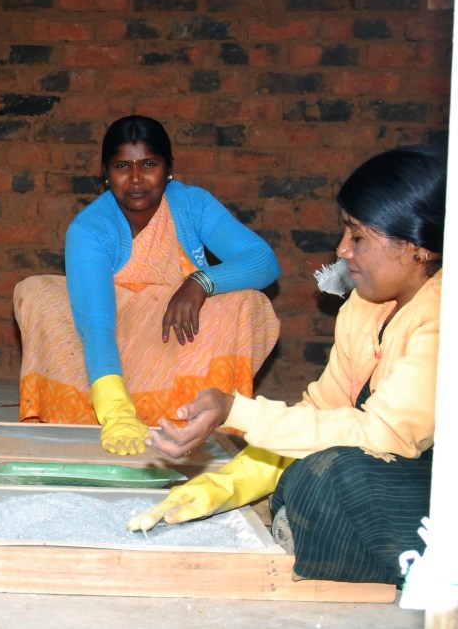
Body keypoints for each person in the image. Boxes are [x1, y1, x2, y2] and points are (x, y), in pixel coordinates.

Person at [129, 144, 445, 586]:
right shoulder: (364, 306)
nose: (342, 249)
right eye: (345, 231)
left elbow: (387, 435)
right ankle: (323, 537)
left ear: (417, 248)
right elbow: (322, 412)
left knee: (334, 473)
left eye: (358, 236)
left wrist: (237, 410)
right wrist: (223, 487)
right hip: (386, 476)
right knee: (305, 471)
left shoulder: (443, 317)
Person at [13, 115, 280, 455]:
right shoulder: (91, 228)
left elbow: (263, 260)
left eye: (149, 164)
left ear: (169, 169)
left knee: (246, 301)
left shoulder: (191, 205)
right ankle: (112, 407)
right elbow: (97, 327)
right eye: (122, 166)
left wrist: (200, 281)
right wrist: (116, 412)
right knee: (38, 293)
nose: (136, 178)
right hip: (107, 337)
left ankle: (193, 414)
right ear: (105, 173)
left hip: (171, 334)